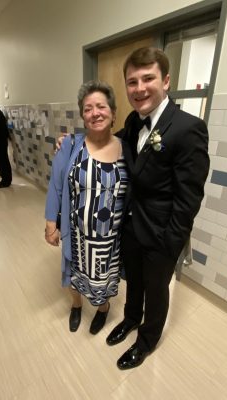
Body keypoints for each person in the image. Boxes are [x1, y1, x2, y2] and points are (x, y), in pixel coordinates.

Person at [105, 47, 210, 369]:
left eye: (147, 78)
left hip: (163, 232)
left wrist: (171, 243)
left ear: (165, 81)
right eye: (132, 82)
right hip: (133, 224)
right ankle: (131, 318)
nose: (139, 89)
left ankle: (147, 340)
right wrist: (77, 141)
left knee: (156, 287)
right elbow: (113, 140)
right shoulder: (134, 122)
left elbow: (189, 196)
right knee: (133, 279)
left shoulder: (187, 128)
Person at [45, 81, 129, 334]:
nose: (95, 113)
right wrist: (51, 224)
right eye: (88, 108)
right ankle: (76, 306)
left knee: (105, 279)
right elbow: (55, 187)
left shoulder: (128, 149)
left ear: (113, 113)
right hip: (77, 234)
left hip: (111, 239)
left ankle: (103, 310)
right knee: (74, 274)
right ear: (83, 115)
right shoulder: (70, 145)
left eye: (101, 106)